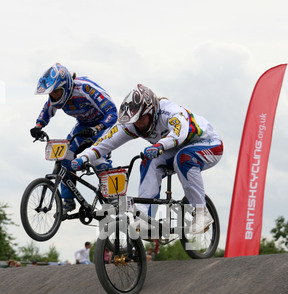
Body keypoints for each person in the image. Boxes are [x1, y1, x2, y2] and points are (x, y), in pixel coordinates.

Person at [71, 84, 223, 234]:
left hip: (208, 144)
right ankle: (145, 218)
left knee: (183, 158)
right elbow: (105, 142)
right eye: (134, 120)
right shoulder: (132, 123)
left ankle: (201, 212)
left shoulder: (169, 111)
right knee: (148, 160)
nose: (138, 124)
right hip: (175, 147)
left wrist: (160, 145)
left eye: (140, 118)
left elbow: (179, 133)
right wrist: (84, 157)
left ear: (152, 111)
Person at [30, 63, 118, 214]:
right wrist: (38, 126)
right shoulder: (55, 97)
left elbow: (112, 111)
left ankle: (114, 196)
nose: (53, 96)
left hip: (104, 124)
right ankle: (68, 200)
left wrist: (98, 128)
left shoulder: (85, 89)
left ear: (66, 86)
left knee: (96, 158)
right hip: (83, 126)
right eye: (50, 93)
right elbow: (47, 110)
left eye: (56, 92)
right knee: (64, 157)